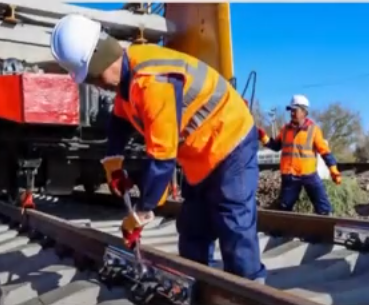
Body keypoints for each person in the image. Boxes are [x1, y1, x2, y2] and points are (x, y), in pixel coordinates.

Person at [49, 15, 266, 281]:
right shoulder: (129, 73)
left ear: (101, 60)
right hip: (202, 154)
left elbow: (162, 159)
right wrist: (113, 162)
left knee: (234, 225)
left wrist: (141, 211)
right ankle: (198, 286)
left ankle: (252, 291)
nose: (96, 84)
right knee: (193, 228)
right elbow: (119, 119)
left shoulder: (153, 82)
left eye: (93, 77)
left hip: (231, 142)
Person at [257, 95, 342, 215]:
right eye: (290, 110)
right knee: (284, 209)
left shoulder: (314, 130)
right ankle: (281, 231)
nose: (291, 113)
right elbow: (275, 146)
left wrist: (334, 171)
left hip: (309, 175)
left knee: (323, 207)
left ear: (304, 111)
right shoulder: (285, 130)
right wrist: (263, 137)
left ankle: (326, 227)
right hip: (289, 176)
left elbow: (325, 151)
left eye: (294, 110)